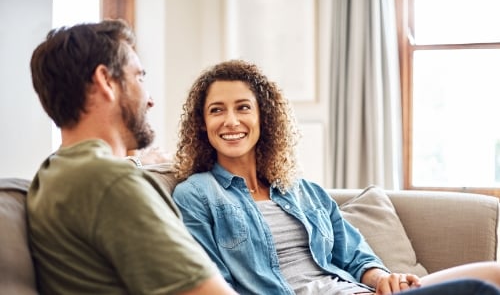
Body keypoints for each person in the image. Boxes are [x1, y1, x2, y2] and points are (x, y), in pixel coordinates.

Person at [171, 59, 500, 295]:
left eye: (243, 107)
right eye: (217, 110)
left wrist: (381, 278)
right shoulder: (197, 195)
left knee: (495, 274)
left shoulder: (303, 192)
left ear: (263, 118)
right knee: (475, 289)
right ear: (202, 123)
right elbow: (213, 281)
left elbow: (355, 256)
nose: (231, 120)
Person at [27, 19, 236, 295]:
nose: (150, 100)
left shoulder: (53, 171)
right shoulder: (109, 182)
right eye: (139, 77)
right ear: (106, 81)